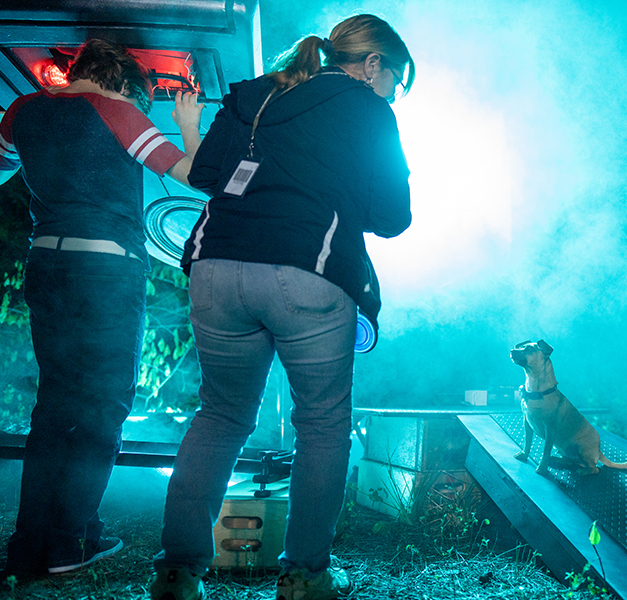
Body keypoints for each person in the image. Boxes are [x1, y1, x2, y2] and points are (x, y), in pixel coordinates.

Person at [150, 13, 414, 600]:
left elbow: (208, 175)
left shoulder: (255, 95)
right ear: (373, 65)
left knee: (219, 415)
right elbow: (394, 217)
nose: (392, 94)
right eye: (394, 81)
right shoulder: (370, 110)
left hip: (216, 269)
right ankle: (304, 576)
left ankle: (177, 571)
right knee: (321, 425)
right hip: (307, 273)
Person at [0, 39, 203, 576]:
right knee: (104, 407)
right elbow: (191, 176)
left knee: (54, 407)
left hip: (46, 266)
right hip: (106, 272)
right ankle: (70, 544)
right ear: (122, 84)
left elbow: (0, 167)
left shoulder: (22, 110)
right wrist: (188, 125)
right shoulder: (118, 111)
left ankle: (28, 545)